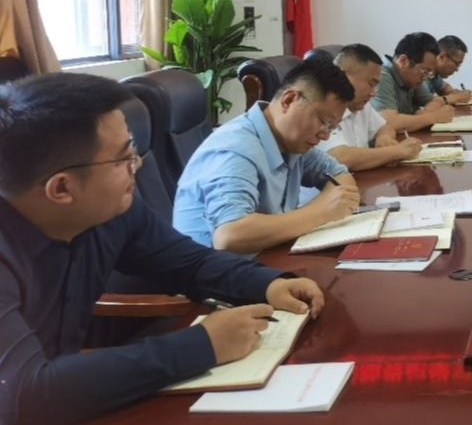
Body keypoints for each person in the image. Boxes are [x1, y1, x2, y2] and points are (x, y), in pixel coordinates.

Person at [0, 73, 326, 424]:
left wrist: (268, 283)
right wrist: (202, 345)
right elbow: (21, 395)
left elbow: (189, 264)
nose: (137, 164)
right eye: (123, 158)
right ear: (61, 189)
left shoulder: (112, 212)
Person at [173, 56, 360, 254]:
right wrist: (320, 212)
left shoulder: (293, 142)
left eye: (332, 127)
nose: (325, 135)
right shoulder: (236, 149)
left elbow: (339, 175)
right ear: (289, 100)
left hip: (267, 257)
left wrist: (331, 204)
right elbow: (229, 236)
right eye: (323, 122)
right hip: (214, 269)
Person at [320, 43, 423, 171]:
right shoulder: (323, 108)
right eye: (370, 84)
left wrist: (383, 137)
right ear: (344, 76)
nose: (373, 93)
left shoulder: (361, 105)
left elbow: (385, 127)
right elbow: (340, 158)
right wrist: (398, 152)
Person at [370, 32, 458, 132]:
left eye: (429, 72)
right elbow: (389, 123)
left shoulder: (411, 78)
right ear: (403, 61)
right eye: (425, 71)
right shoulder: (381, 76)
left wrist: (423, 114)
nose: (425, 77)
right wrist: (434, 117)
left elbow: (434, 101)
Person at [425, 34, 472, 106]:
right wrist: (456, 97)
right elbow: (426, 101)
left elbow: (444, 87)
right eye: (457, 64)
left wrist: (453, 93)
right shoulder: (422, 73)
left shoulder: (434, 74)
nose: (457, 70)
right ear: (442, 57)